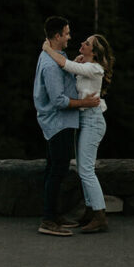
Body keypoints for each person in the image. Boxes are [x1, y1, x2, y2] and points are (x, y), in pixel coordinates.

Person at [33, 16, 100, 236]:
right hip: (58, 123)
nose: (70, 37)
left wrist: (77, 63)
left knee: (54, 169)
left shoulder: (56, 57)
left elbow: (66, 72)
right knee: (57, 171)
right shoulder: (51, 65)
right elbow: (59, 101)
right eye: (67, 33)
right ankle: (48, 220)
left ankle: (53, 214)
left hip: (59, 123)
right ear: (57, 36)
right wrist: (86, 103)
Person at [42, 32, 115, 234]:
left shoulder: (94, 68)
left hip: (92, 121)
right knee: (85, 169)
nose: (82, 43)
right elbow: (72, 71)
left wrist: (48, 49)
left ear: (95, 51)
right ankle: (91, 212)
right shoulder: (87, 67)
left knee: (86, 171)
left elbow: (65, 66)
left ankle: (100, 215)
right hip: (85, 120)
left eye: (87, 43)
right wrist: (75, 61)